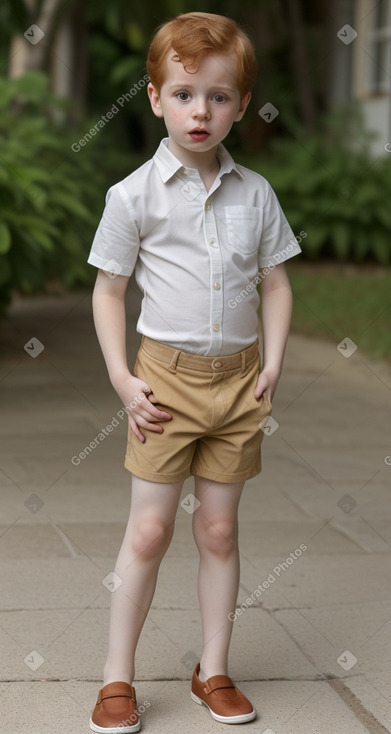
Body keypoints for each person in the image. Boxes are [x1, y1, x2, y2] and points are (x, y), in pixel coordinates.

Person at [87, 11, 301, 733]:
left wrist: (272, 360)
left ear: (240, 104)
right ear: (154, 98)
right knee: (148, 531)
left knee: (217, 531)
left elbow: (275, 282)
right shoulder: (132, 196)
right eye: (183, 94)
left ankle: (213, 669)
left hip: (239, 382)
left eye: (216, 96)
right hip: (163, 382)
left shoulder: (256, 194)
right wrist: (121, 377)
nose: (199, 111)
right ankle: (117, 677)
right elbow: (108, 290)